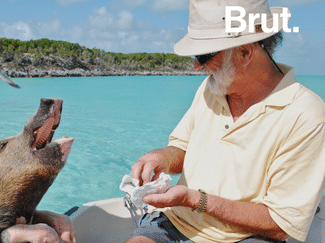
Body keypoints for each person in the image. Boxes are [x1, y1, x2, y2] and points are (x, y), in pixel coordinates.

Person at [127, 0, 325, 242]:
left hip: (246, 236)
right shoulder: (211, 88)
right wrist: (162, 158)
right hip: (176, 221)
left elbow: (280, 225)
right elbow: (181, 149)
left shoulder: (306, 114)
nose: (196, 66)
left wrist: (195, 200)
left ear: (245, 52)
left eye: (203, 55)